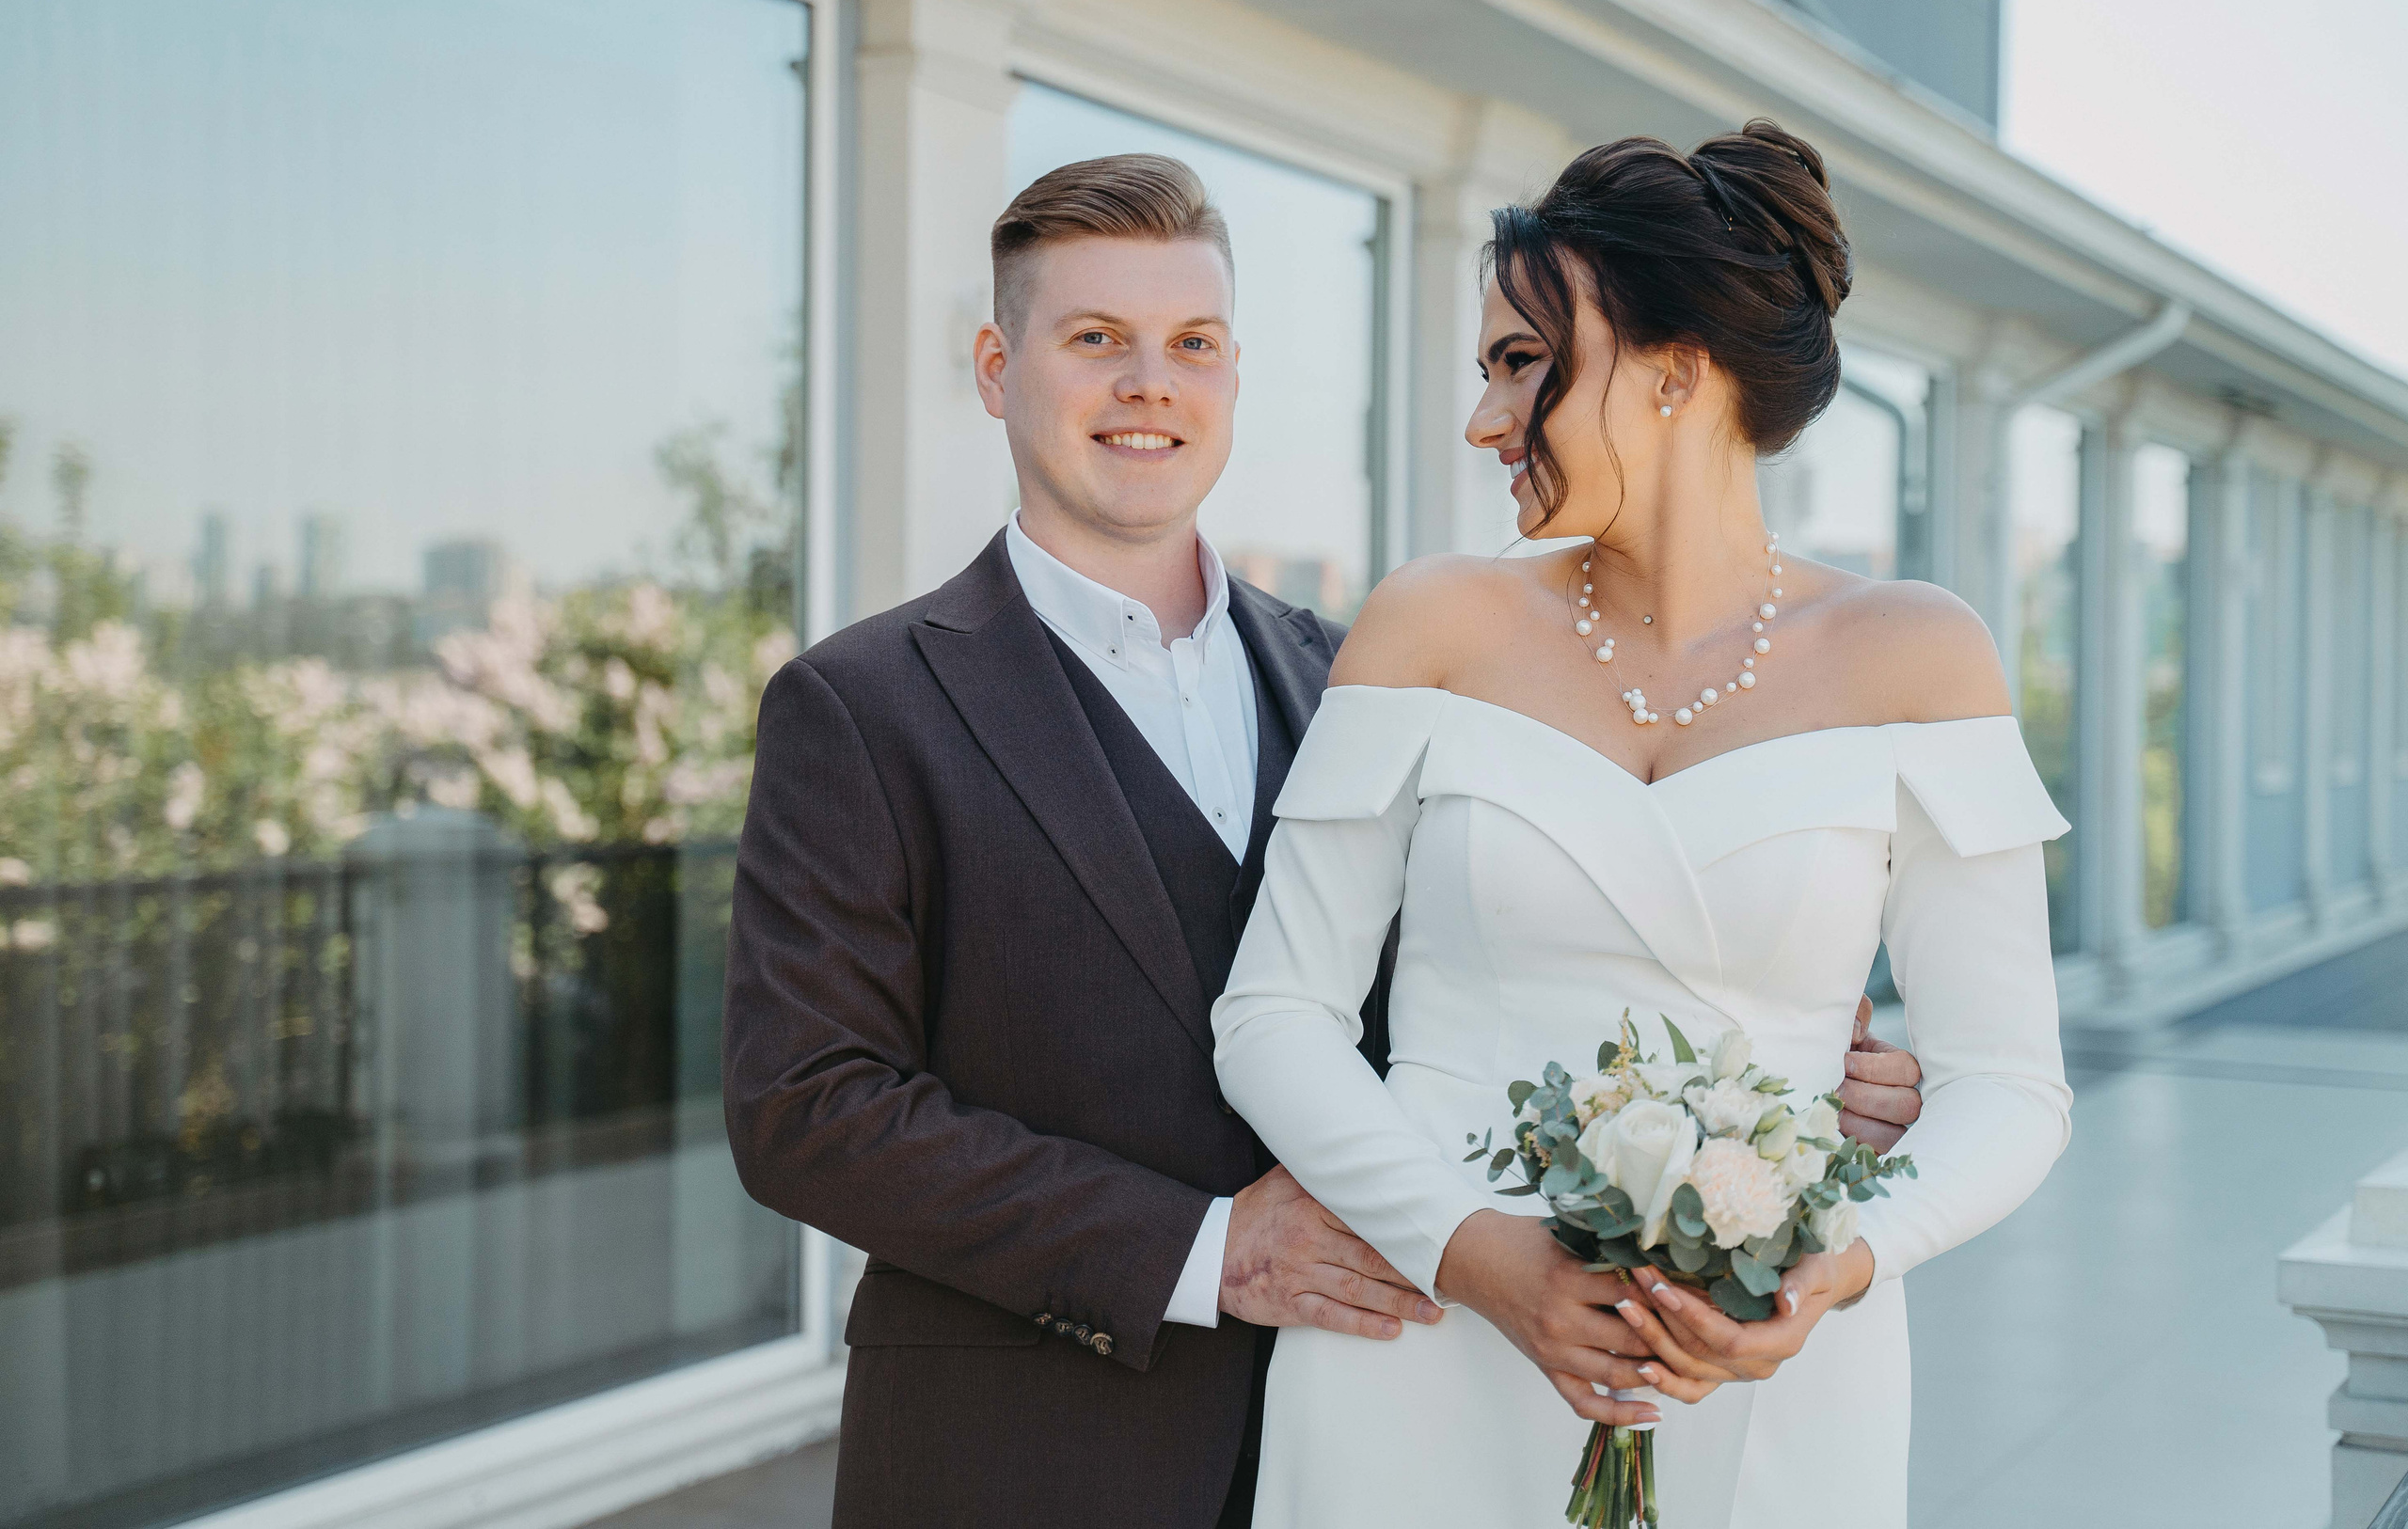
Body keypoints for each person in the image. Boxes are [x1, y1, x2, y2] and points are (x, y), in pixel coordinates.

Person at [722, 151, 1925, 1529]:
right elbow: (805, 1111)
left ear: (1235, 377)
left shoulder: (1365, 675)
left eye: (1193, 344)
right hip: (1029, 1445)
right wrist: (1205, 1248)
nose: (1147, 384)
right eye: (1094, 340)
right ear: (998, 368)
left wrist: (1776, 1059)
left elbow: (1497, 958)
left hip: (1387, 1421)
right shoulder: (862, 704)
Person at [1211, 121, 2072, 1528]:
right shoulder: (1433, 621)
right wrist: (1474, 1256)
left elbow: (2009, 1086)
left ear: (1675, 371)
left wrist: (1830, 1269)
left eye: (1522, 363)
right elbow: (1273, 1013)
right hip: (1424, 1337)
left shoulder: (1923, 656)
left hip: (1767, 1364)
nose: (1487, 420)